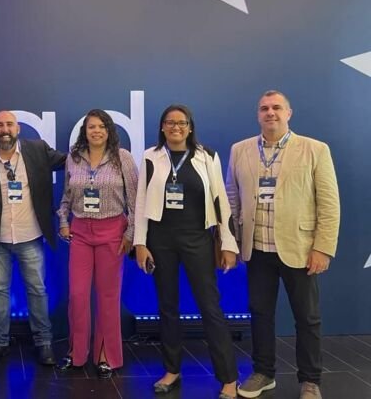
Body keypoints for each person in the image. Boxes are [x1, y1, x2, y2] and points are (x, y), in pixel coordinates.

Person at [226, 91, 340, 399]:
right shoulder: (240, 150)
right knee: (260, 314)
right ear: (258, 115)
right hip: (256, 248)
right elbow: (232, 198)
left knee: (307, 317)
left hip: (299, 249)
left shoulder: (315, 149)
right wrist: (230, 242)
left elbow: (329, 203)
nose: (270, 112)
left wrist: (322, 248)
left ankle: (310, 380)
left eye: (277, 107)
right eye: (264, 108)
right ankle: (263, 373)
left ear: (289, 113)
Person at [133, 104, 239, 399]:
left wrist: (228, 243)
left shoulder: (208, 156)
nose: (176, 127)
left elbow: (221, 201)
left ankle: (228, 378)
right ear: (162, 127)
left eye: (181, 123)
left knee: (210, 306)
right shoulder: (150, 156)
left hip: (197, 238)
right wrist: (140, 243)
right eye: (170, 122)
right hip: (160, 239)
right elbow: (141, 202)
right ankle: (172, 370)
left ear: (190, 127)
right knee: (167, 307)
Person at [0, 110, 66, 365]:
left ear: (18, 128)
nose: (5, 129)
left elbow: (70, 161)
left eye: (9, 124)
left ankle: (44, 343)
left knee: (37, 290)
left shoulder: (37, 150)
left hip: (30, 236)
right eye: (0, 125)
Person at [56, 109, 138, 378]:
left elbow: (134, 200)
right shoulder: (74, 157)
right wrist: (63, 220)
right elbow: (67, 195)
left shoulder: (122, 158)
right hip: (80, 232)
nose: (97, 131)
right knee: (78, 295)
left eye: (102, 126)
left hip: (112, 231)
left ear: (109, 130)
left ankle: (107, 355)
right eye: (92, 126)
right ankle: (77, 353)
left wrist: (130, 234)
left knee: (108, 297)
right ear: (85, 131)